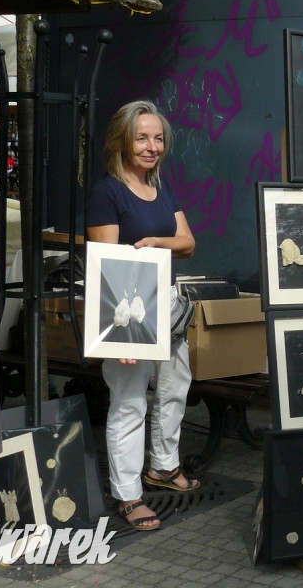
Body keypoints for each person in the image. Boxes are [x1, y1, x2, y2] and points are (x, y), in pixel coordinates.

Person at [86, 100, 199, 532]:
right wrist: (122, 333)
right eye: (142, 138)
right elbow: (108, 266)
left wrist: (155, 241)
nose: (153, 147)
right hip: (128, 308)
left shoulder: (161, 187)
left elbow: (187, 242)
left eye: (158, 138)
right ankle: (128, 494)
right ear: (123, 140)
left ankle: (163, 468)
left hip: (167, 302)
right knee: (129, 401)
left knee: (174, 388)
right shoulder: (108, 192)